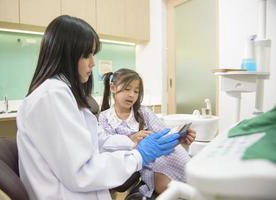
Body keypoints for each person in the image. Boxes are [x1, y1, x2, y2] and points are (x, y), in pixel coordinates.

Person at [16, 15, 181, 200]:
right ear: (67, 54)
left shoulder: (63, 94)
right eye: (87, 54)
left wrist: (134, 142)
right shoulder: (52, 96)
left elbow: (96, 139)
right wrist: (138, 156)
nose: (92, 63)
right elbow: (81, 172)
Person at [99, 68, 196, 198]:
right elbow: (106, 147)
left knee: (192, 175)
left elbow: (162, 131)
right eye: (127, 89)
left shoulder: (142, 112)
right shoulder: (105, 118)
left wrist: (179, 137)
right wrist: (131, 139)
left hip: (162, 154)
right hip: (140, 159)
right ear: (112, 88)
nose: (131, 95)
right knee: (164, 186)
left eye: (136, 91)